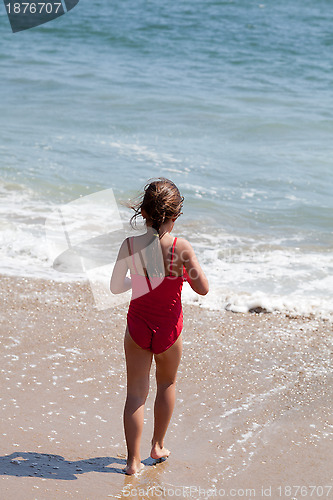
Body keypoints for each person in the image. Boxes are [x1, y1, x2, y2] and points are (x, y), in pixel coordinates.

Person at [110, 178, 209, 475]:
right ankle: (157, 445)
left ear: (143, 212)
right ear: (175, 215)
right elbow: (202, 288)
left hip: (138, 326)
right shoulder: (181, 248)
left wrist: (139, 282)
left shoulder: (130, 245)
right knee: (167, 383)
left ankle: (132, 462)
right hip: (169, 329)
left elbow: (116, 286)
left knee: (136, 394)